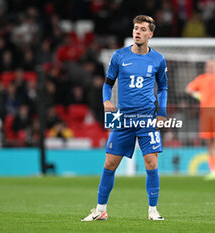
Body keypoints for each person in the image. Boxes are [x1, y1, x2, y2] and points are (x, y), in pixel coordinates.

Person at [82, 15, 168, 221]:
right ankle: (100, 209)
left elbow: (163, 87)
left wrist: (162, 112)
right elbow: (107, 83)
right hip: (123, 118)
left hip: (147, 117)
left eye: (142, 29)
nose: (137, 32)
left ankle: (152, 210)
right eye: (135, 28)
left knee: (151, 162)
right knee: (110, 164)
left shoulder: (158, 59)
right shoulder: (119, 56)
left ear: (150, 34)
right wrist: (106, 100)